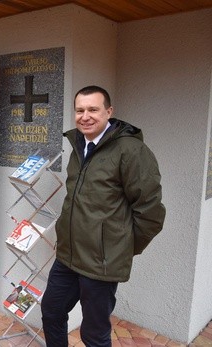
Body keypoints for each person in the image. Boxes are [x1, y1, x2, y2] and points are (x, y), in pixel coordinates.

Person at [41, 85, 166, 347]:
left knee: (94, 335)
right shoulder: (78, 144)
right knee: (51, 312)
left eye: (93, 109)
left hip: (101, 264)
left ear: (109, 112)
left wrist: (119, 248)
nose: (85, 116)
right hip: (68, 256)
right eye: (80, 110)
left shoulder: (131, 151)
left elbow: (150, 213)